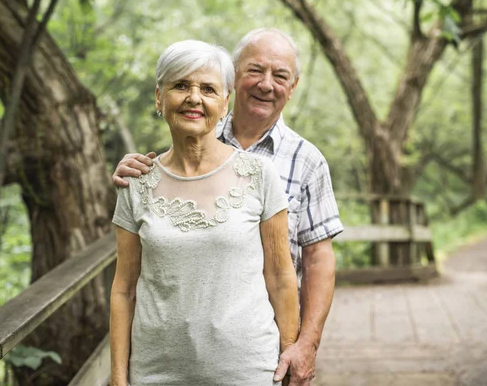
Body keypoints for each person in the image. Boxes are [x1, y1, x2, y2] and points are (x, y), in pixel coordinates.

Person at [113, 28, 343, 385]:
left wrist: (301, 347)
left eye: (280, 75)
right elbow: (125, 284)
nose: (266, 84)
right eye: (255, 70)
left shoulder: (304, 161)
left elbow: (312, 261)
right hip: (160, 365)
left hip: (248, 358)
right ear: (234, 81)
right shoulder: (184, 139)